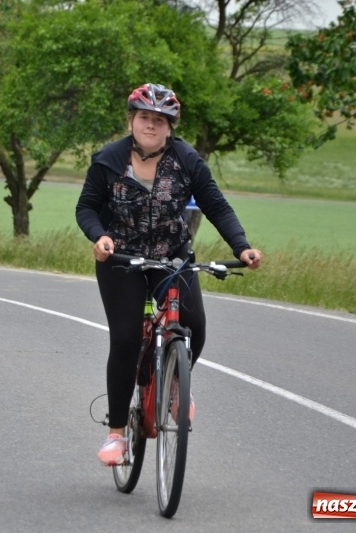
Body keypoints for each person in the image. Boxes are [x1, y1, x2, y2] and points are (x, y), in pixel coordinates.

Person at [75, 83, 262, 466]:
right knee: (126, 339)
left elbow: (216, 205)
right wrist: (100, 237)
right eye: (144, 117)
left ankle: (176, 384)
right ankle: (116, 435)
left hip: (172, 255)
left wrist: (240, 245)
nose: (150, 125)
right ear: (132, 120)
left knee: (194, 324)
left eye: (159, 120)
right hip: (122, 259)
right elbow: (87, 208)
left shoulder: (187, 160)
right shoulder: (109, 160)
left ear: (170, 127)